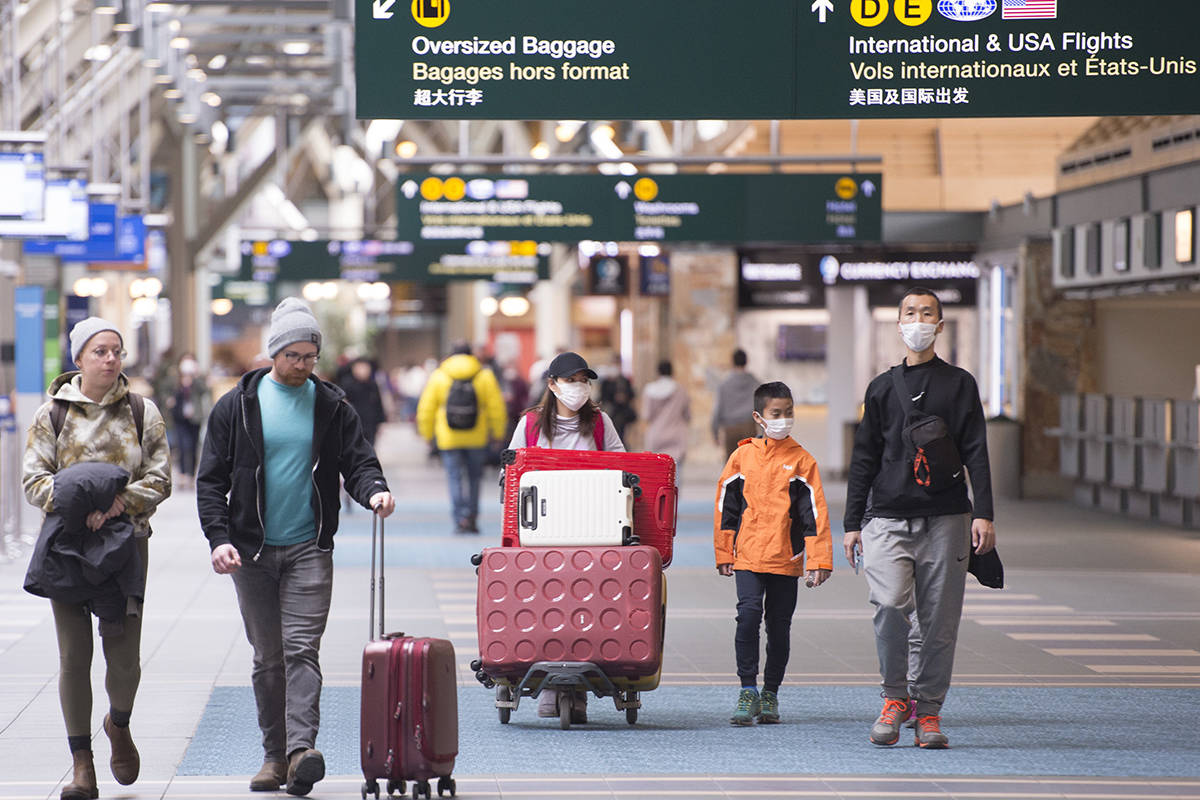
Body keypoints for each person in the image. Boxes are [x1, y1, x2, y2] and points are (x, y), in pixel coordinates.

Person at [196, 298, 395, 796]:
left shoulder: (331, 405)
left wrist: (374, 491)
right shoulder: (237, 406)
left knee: (302, 650)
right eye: (293, 356)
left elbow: (358, 461)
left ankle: (301, 751)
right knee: (269, 657)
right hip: (252, 551)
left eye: (310, 357)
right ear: (274, 352)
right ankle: (274, 755)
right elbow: (210, 481)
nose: (303, 365)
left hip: (309, 546)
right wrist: (219, 539)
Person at [21, 317, 172, 800]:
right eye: (100, 351)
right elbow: (34, 481)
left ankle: (118, 724)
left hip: (126, 545)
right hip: (67, 545)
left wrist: (116, 505)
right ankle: (82, 763)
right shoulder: (52, 415)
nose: (110, 359)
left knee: (124, 659)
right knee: (74, 656)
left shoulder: (142, 411)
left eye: (116, 351)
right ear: (79, 358)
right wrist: (80, 505)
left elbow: (160, 477)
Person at [843, 287, 996, 750]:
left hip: (947, 518)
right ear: (898, 324)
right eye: (910, 312)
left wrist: (984, 513)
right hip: (888, 517)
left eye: (927, 313)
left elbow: (976, 451)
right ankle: (895, 697)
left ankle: (928, 710)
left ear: (940, 325)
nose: (918, 320)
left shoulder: (960, 384)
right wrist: (852, 523)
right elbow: (863, 458)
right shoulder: (881, 388)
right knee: (889, 605)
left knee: (938, 622)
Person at [508, 351, 626, 722]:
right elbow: (511, 472)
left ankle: (579, 689)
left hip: (592, 529)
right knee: (547, 603)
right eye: (570, 380)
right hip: (543, 532)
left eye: (583, 381)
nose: (578, 387)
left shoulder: (600, 422)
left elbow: (622, 465)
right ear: (552, 384)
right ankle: (551, 684)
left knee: (587, 603)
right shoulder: (531, 424)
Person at [714, 381, 832, 727]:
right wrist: (724, 550)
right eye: (776, 413)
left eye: (788, 412)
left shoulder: (802, 461)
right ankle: (747, 689)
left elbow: (815, 514)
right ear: (759, 417)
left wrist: (818, 559)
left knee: (779, 627)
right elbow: (726, 507)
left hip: (786, 558)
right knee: (748, 616)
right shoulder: (741, 457)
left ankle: (771, 693)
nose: (784, 419)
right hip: (748, 556)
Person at [416, 343, 507, 533]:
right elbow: (496, 407)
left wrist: (427, 434)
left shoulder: (439, 375)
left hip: (448, 437)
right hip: (477, 436)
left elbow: (426, 408)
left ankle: (460, 519)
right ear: (471, 354)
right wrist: (498, 433)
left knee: (454, 477)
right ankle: (472, 517)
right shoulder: (484, 375)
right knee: (474, 478)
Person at [169, 352, 210, 490]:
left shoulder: (198, 380)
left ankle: (191, 475)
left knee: (192, 446)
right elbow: (168, 393)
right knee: (181, 446)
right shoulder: (176, 380)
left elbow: (205, 391)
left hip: (195, 418)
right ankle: (182, 474)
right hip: (180, 417)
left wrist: (195, 378)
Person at [641, 360, 691, 470]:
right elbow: (687, 415)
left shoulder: (649, 390)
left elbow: (646, 415)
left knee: (657, 471)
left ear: (658, 372)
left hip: (655, 434)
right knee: (675, 472)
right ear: (672, 372)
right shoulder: (681, 390)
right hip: (676, 434)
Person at [711, 349, 760, 455]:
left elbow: (717, 410)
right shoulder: (755, 383)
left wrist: (715, 433)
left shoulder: (724, 385)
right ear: (746, 361)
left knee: (732, 463)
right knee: (750, 462)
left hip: (730, 430)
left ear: (732, 362)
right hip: (749, 427)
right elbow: (762, 406)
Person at [339, 357, 387, 447]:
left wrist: (380, 422)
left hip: (371, 423)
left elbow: (378, 404)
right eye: (360, 367)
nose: (363, 370)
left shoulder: (372, 384)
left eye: (365, 367)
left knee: (370, 446)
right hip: (354, 423)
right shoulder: (347, 385)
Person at [598, 353, 637, 443]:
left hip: (622, 414)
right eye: (614, 363)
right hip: (610, 413)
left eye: (617, 363)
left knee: (620, 437)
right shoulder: (606, 382)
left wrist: (624, 397)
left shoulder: (624, 380)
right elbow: (602, 397)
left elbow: (632, 395)